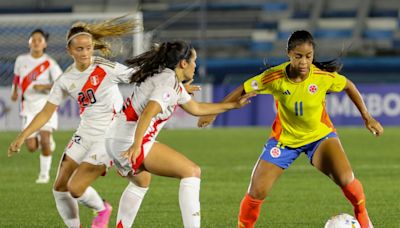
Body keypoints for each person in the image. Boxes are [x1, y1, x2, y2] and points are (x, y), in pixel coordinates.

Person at [198, 30, 383, 228]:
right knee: (256, 191)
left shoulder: (322, 76)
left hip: (319, 137)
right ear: (289, 54)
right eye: (298, 57)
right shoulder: (274, 77)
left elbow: (349, 86)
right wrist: (215, 111)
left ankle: (364, 218)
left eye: (309, 57)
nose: (304, 62)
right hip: (284, 142)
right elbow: (244, 89)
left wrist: (367, 116)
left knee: (346, 179)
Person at [8, 16, 144, 228]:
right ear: (70, 51)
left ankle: (102, 209)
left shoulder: (106, 68)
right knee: (59, 188)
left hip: (109, 135)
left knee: (76, 188)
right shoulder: (66, 79)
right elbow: (46, 112)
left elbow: (140, 76)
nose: (85, 53)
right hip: (84, 133)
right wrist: (22, 136)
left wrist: (175, 85)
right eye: (79, 49)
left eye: (88, 48)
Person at [104, 40, 255, 228]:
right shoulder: (169, 84)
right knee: (191, 171)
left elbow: (196, 108)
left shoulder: (167, 78)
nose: (195, 65)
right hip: (129, 141)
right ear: (183, 64)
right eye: (194, 61)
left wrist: (233, 104)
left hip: (113, 138)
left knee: (141, 181)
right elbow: (148, 112)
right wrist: (136, 145)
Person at [10, 28, 63, 184]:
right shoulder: (21, 60)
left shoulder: (50, 63)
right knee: (32, 147)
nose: (36, 42)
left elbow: (61, 83)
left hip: (46, 107)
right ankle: (45, 144)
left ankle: (44, 175)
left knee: (45, 140)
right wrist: (14, 92)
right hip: (28, 108)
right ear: (29, 42)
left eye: (39, 40)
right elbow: (16, 78)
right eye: (33, 39)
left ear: (45, 44)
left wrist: (44, 86)